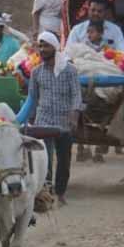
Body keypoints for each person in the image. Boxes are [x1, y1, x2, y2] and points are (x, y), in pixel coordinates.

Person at [29, 32, 82, 205]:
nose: (42, 50)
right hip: (43, 120)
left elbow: (76, 95)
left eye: (46, 46)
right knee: (45, 158)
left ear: (55, 47)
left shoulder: (70, 71)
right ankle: (47, 192)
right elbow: (32, 98)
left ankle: (60, 192)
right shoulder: (36, 72)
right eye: (40, 46)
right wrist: (28, 120)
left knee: (64, 160)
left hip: (64, 122)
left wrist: (74, 116)